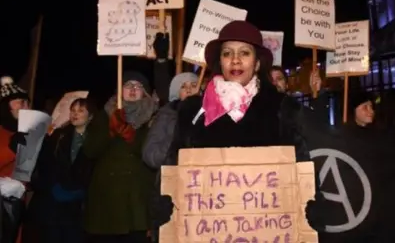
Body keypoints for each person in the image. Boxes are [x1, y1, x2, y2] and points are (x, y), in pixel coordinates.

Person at [152, 20, 325, 230]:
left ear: (257, 63)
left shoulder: (282, 108)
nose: (235, 60)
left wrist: (311, 204)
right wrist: (164, 204)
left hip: (267, 229)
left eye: (244, 53)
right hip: (207, 230)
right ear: (220, 62)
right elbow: (172, 164)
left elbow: (302, 165)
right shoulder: (192, 111)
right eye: (227, 53)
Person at [305, 92, 395, 243]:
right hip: (352, 208)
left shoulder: (380, 135)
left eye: (371, 107)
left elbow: (392, 157)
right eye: (365, 107)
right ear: (353, 110)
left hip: (377, 212)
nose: (370, 111)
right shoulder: (342, 138)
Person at [82, 71, 157, 243]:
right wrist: (110, 130)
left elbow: (151, 153)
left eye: (138, 86)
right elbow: (90, 150)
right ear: (119, 90)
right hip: (106, 199)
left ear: (144, 92)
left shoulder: (153, 116)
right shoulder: (104, 115)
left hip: (137, 198)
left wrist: (132, 135)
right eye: (128, 85)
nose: (133, 89)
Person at [27, 98, 95, 243]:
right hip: (55, 198)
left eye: (81, 110)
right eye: (73, 110)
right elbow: (45, 162)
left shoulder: (95, 139)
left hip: (80, 203)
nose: (75, 114)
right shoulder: (59, 135)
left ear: (90, 115)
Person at [142, 72, 198, 169]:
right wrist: (173, 143)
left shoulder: (209, 115)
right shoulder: (167, 115)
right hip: (174, 177)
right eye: (183, 87)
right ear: (177, 93)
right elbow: (150, 155)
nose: (189, 90)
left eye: (193, 86)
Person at [0, 76, 30, 243]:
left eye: (25, 102)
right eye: (18, 102)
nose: (23, 106)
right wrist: (11, 149)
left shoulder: (29, 132)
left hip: (17, 208)